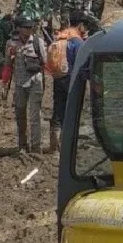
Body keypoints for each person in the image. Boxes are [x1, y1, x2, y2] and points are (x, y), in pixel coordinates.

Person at [47, 11, 87, 152]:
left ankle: (54, 146)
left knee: (58, 109)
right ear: (81, 25)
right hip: (72, 79)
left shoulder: (61, 37)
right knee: (72, 111)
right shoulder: (77, 41)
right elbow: (81, 63)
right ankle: (67, 146)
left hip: (58, 77)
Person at [6, 17, 46, 152]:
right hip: (19, 84)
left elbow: (44, 61)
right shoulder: (11, 44)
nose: (29, 30)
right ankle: (22, 145)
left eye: (31, 27)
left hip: (35, 81)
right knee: (20, 115)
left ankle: (36, 146)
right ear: (18, 29)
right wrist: (4, 85)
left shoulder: (37, 42)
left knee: (35, 115)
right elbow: (7, 66)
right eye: (26, 27)